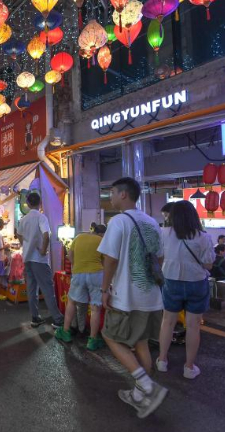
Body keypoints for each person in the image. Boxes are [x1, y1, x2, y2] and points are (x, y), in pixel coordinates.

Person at [98, 177, 167, 418]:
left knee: (109, 336)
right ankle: (140, 395)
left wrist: (104, 289)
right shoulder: (151, 222)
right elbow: (159, 259)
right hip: (151, 296)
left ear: (123, 194)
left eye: (112, 192)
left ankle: (146, 385)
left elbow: (110, 259)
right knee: (141, 343)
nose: (111, 197)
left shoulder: (118, 222)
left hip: (126, 295)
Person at [156, 200, 215, 380]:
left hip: (171, 280)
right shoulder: (203, 237)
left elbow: (159, 257)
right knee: (193, 326)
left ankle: (162, 360)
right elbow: (208, 264)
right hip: (196, 282)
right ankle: (189, 367)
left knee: (167, 322)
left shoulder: (164, 233)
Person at [55, 224, 106, 351]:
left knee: (72, 302)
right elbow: (105, 262)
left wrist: (78, 266)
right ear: (102, 234)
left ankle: (65, 332)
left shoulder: (78, 237)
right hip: (96, 274)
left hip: (78, 273)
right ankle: (92, 340)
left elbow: (70, 256)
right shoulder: (102, 241)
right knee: (95, 308)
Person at [17, 192, 64, 328]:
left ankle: (35, 317)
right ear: (40, 203)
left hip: (27, 259)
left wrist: (25, 244)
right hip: (39, 260)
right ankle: (57, 320)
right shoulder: (41, 217)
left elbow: (19, 234)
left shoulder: (24, 219)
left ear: (29, 204)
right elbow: (46, 235)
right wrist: (43, 250)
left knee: (32, 289)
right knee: (47, 289)